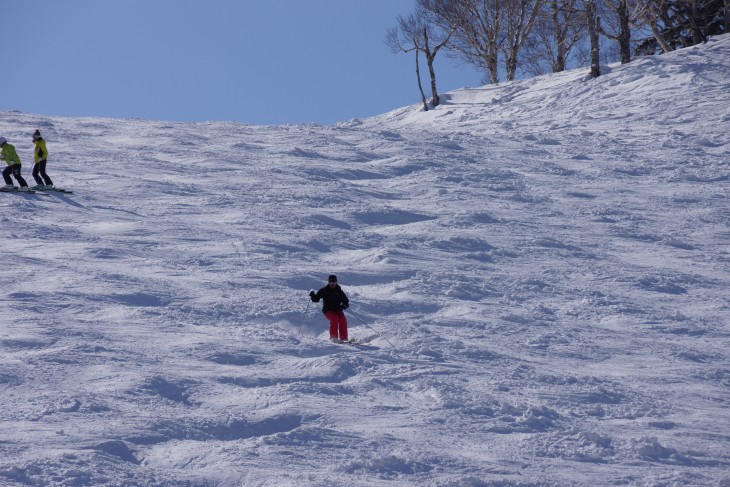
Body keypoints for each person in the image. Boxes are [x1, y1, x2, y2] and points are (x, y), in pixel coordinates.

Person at [309, 274, 350, 343]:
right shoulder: (324, 290)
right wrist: (312, 295)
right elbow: (316, 299)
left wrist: (343, 306)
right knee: (335, 318)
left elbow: (346, 302)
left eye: (334, 282)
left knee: (343, 319)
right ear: (328, 282)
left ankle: (344, 338)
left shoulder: (339, 291)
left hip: (338, 310)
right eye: (331, 282)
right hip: (328, 310)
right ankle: (334, 338)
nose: (333, 284)